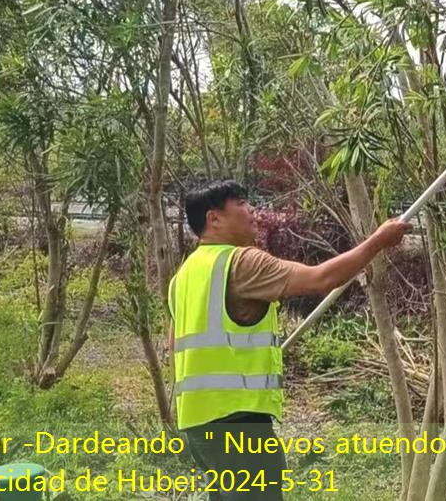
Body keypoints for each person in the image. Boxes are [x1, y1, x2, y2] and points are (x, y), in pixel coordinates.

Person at [168, 180, 411, 501]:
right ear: (214, 219)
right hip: (239, 423)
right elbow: (322, 278)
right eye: (241, 203)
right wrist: (378, 241)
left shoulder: (183, 275)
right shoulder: (241, 262)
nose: (251, 209)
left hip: (198, 425)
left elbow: (175, 346)